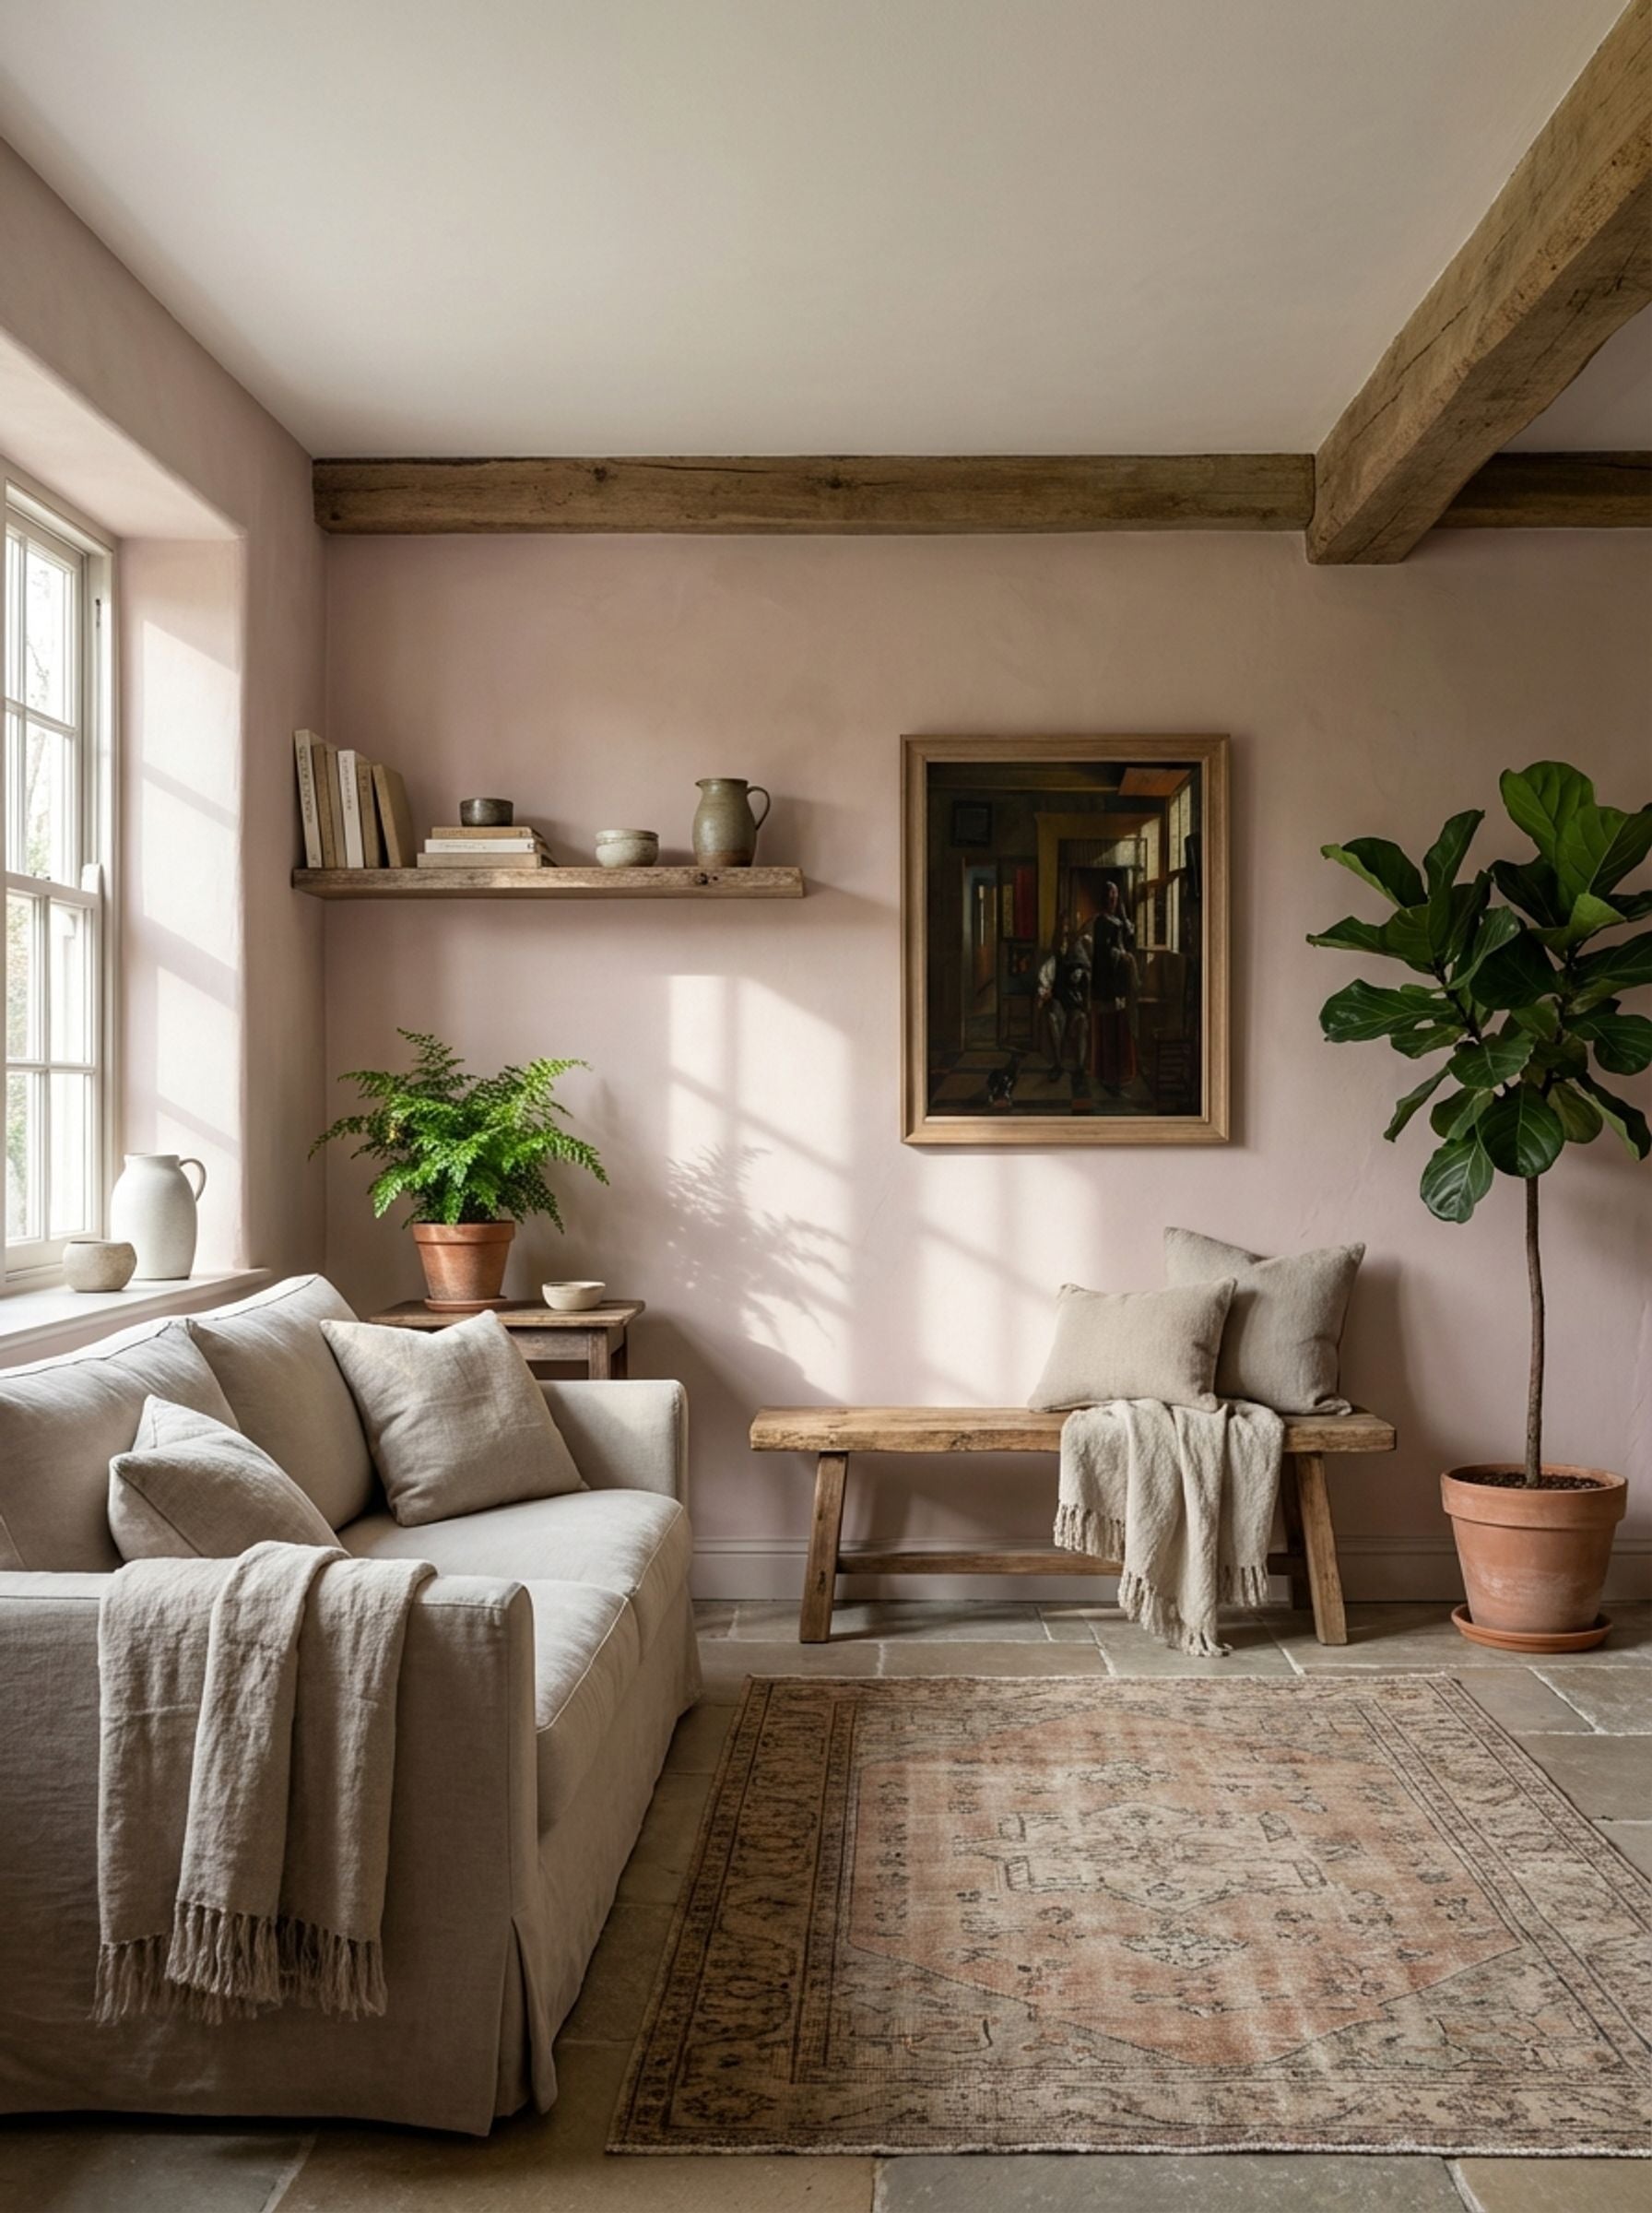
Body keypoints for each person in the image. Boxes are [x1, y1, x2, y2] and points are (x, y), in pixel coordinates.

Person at [1091, 878, 1138, 1095]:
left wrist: (1128, 931)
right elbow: (1103, 953)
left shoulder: (1119, 921)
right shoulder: (1101, 922)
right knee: (1109, 1033)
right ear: (1104, 898)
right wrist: (1122, 956)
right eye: (1109, 896)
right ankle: (1109, 1078)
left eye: (1115, 896)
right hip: (1106, 984)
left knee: (1121, 1031)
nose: (1112, 899)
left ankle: (1120, 1077)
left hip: (1119, 984)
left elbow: (1125, 942)